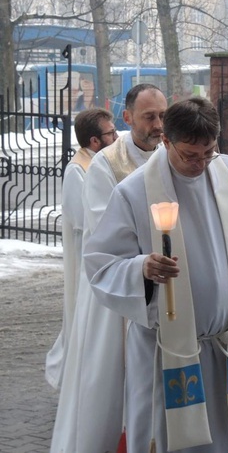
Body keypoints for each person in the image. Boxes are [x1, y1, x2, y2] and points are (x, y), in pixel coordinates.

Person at [84, 96, 228, 452]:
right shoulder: (134, 192)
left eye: (208, 153)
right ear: (166, 141)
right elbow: (101, 264)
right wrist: (141, 269)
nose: (200, 164)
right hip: (166, 352)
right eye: (189, 155)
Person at [50, 84, 168, 453]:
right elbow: (102, 231)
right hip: (115, 288)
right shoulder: (105, 164)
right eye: (149, 117)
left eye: (163, 115)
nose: (158, 124)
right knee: (105, 382)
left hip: (163, 284)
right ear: (128, 118)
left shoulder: (170, 156)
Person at [45, 107, 117, 389]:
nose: (116, 137)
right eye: (110, 133)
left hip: (101, 250)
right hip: (86, 253)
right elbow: (81, 218)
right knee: (81, 317)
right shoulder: (78, 169)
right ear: (94, 141)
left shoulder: (101, 163)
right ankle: (72, 374)